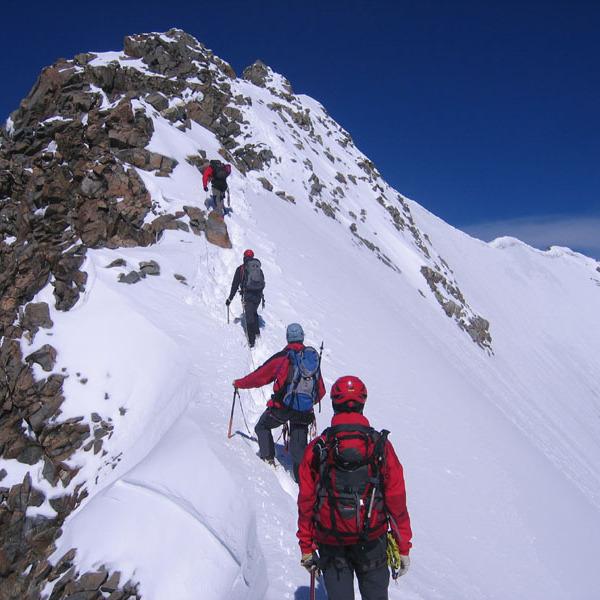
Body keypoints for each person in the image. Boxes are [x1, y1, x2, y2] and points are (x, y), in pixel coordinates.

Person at [297, 375, 412, 600]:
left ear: (334, 404)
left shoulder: (319, 447)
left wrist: (306, 546)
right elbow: (396, 499)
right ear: (362, 404)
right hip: (373, 540)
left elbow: (307, 500)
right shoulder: (380, 446)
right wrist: (403, 545)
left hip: (331, 540)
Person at [233, 323, 326, 481]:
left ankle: (268, 460)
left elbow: (259, 376)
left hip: (281, 408)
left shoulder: (283, 357)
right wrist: (304, 402)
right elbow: (321, 391)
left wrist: (239, 383)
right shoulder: (311, 360)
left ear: (288, 338)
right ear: (302, 337)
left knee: (262, 427)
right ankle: (302, 482)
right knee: (299, 451)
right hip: (303, 413)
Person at [226, 249, 265, 348]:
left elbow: (235, 285)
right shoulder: (258, 269)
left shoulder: (241, 269)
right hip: (258, 295)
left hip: (248, 295)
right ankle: (257, 332)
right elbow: (262, 282)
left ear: (244, 257)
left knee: (249, 317)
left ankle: (251, 341)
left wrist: (230, 299)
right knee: (254, 312)